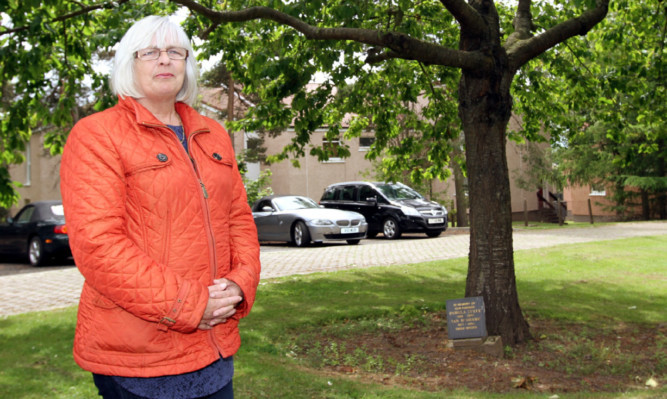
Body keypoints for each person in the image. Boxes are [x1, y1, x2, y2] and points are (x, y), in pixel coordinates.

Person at [60, 15, 261, 399]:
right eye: (150, 52)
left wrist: (239, 283)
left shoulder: (212, 133)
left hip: (214, 349)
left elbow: (239, 220)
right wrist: (190, 304)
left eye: (175, 51)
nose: (164, 60)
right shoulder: (96, 135)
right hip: (140, 358)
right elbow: (98, 246)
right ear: (128, 65)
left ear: (187, 64)